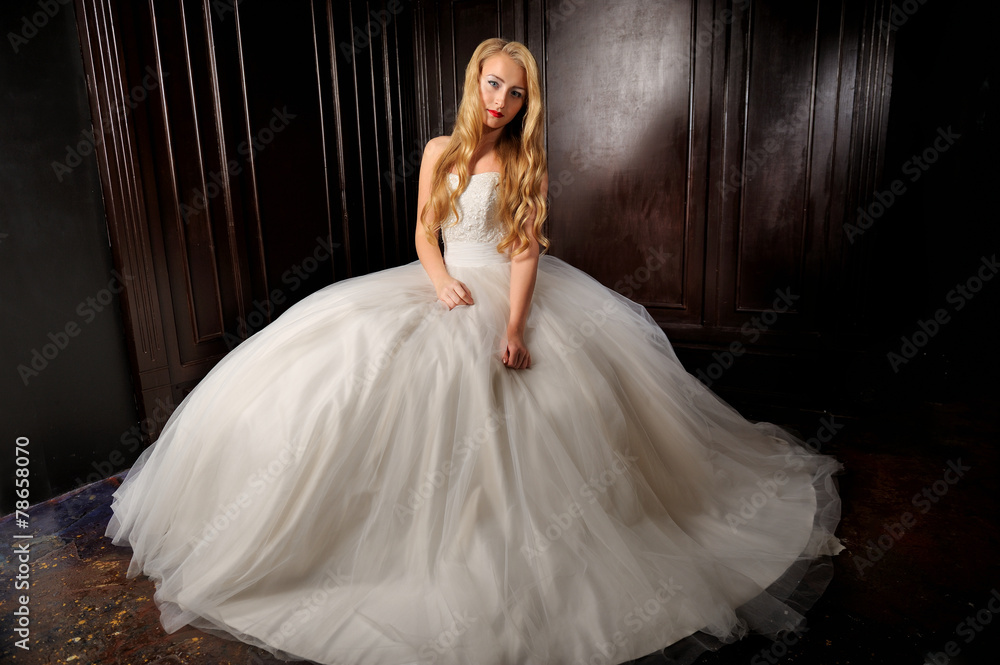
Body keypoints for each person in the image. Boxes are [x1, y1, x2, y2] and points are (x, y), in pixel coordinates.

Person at [106, 38, 844, 665]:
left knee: (538, 393)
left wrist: (514, 327)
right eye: (493, 84)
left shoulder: (527, 164)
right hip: (443, 278)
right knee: (347, 373)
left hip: (507, 287)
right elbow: (425, 234)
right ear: (475, 82)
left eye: (516, 93)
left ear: (527, 102)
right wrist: (441, 282)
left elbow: (523, 253)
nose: (501, 100)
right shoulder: (440, 151)